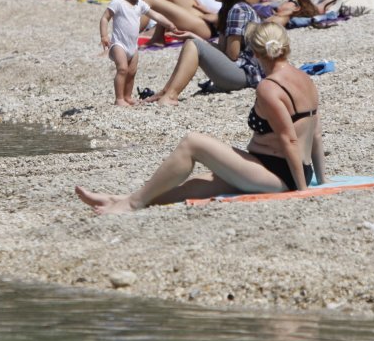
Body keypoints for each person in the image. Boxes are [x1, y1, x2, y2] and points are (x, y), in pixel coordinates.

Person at [76, 21, 327, 214]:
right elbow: (314, 133)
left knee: (192, 142)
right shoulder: (304, 78)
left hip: (278, 175)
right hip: (281, 169)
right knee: (195, 185)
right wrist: (320, 180)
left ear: (256, 52)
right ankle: (121, 199)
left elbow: (289, 140)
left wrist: (302, 192)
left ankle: (131, 205)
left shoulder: (270, 88)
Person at [144, 0, 262, 106]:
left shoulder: (238, 10)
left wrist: (199, 43)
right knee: (192, 42)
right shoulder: (230, 9)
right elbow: (224, 50)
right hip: (239, 72)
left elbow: (232, 54)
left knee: (193, 44)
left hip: (244, 76)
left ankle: (171, 95)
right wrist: (194, 36)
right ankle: (166, 91)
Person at [100, 0, 179, 106]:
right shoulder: (117, 3)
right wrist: (104, 35)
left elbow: (155, 15)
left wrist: (169, 24)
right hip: (118, 44)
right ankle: (119, 99)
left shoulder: (140, 4)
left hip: (132, 45)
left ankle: (128, 96)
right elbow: (105, 18)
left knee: (131, 72)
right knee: (122, 69)